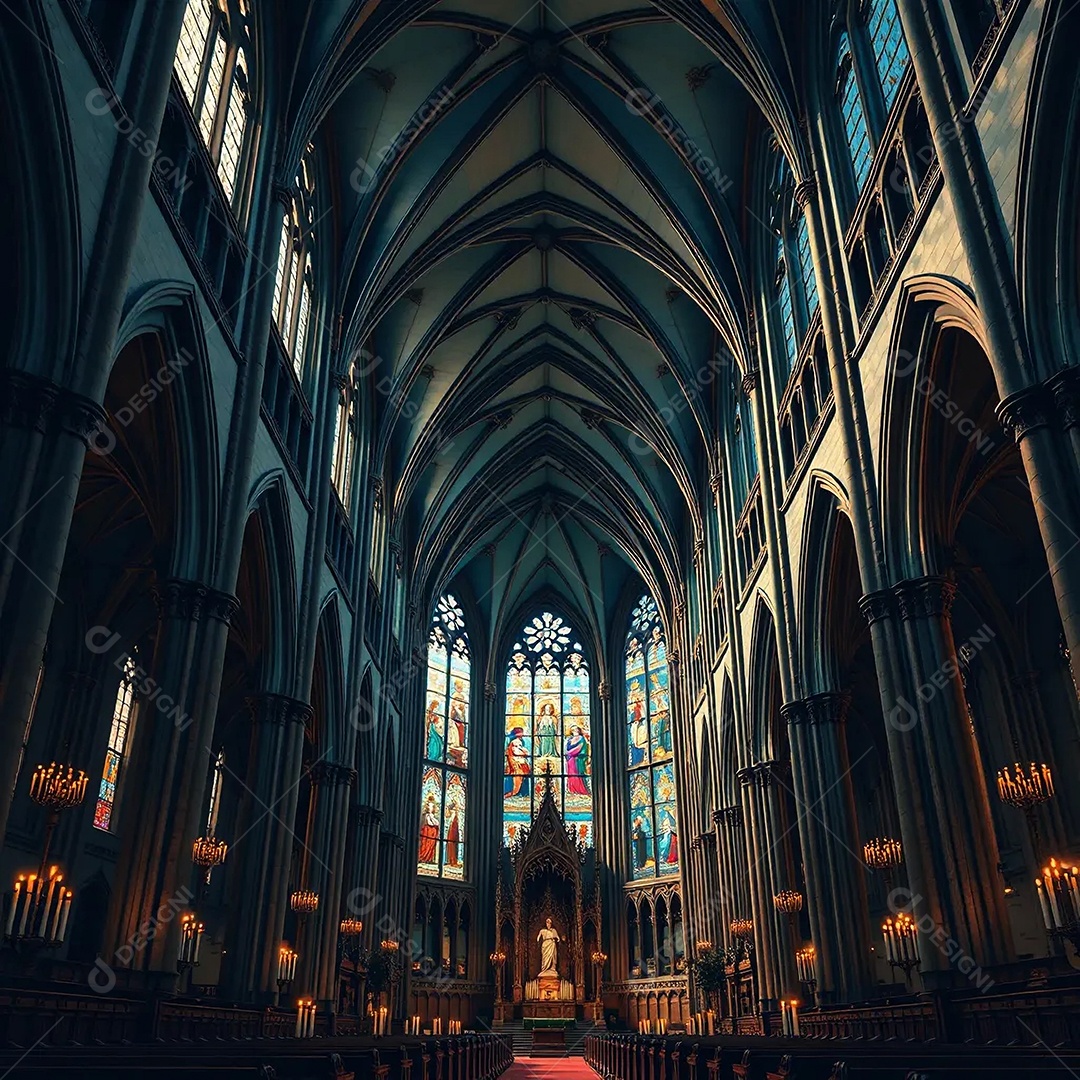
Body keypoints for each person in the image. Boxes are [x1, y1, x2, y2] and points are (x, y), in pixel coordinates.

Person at [504, 727, 531, 797]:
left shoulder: (518, 742)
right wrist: (524, 753)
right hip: (516, 765)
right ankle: (512, 794)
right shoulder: (514, 742)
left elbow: (524, 752)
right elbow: (516, 752)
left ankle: (523, 794)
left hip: (521, 764)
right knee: (517, 784)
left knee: (522, 780)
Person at [565, 725, 590, 795]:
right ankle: (572, 790)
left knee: (577, 774)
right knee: (571, 774)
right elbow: (566, 748)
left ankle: (580, 790)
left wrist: (569, 753)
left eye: (576, 729)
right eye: (573, 730)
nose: (575, 731)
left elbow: (579, 748)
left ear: (579, 730)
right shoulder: (570, 739)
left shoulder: (581, 738)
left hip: (578, 759)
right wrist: (568, 753)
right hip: (570, 760)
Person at [418, 793, 439, 864]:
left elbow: (436, 823)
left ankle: (429, 858)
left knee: (431, 844)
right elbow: (430, 823)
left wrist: (435, 823)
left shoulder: (432, 815)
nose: (431, 808)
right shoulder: (427, 815)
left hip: (432, 831)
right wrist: (434, 823)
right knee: (426, 844)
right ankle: (423, 857)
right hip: (427, 831)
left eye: (432, 806)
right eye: (430, 806)